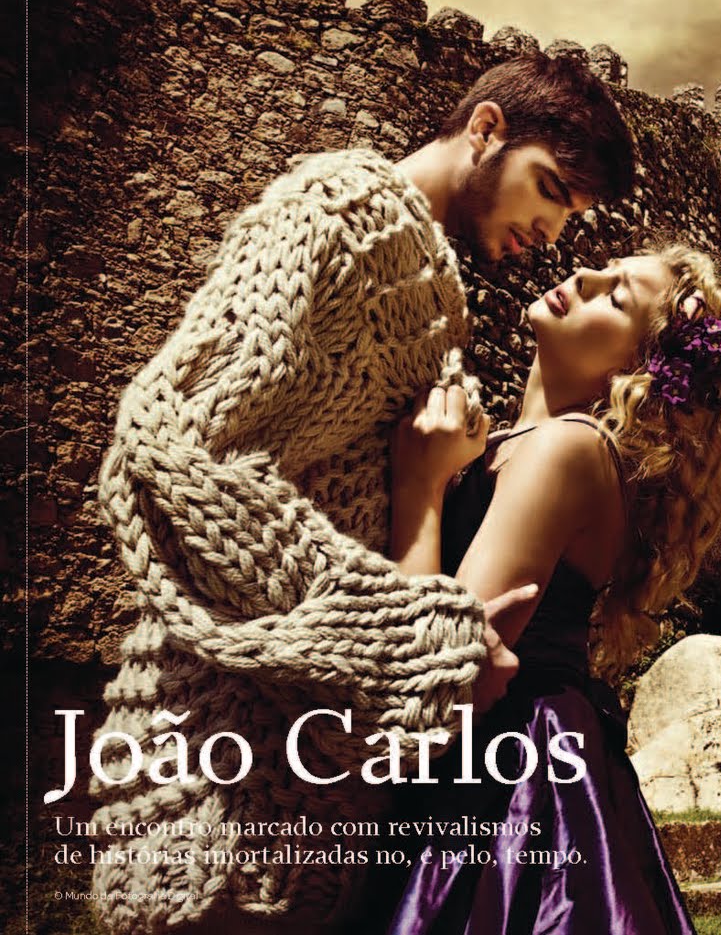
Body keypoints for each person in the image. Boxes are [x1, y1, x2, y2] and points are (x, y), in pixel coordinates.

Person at [88, 52, 635, 935]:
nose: (551, 229)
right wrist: (399, 643)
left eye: (569, 213)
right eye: (550, 188)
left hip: (319, 784)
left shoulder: (432, 288)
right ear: (486, 129)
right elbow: (175, 445)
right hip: (223, 765)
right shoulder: (341, 211)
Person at [380, 244, 721, 934]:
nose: (584, 277)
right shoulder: (518, 442)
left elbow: (432, 675)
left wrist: (420, 488)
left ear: (635, 371)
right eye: (606, 269)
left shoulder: (566, 449)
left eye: (615, 296)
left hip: (507, 783)